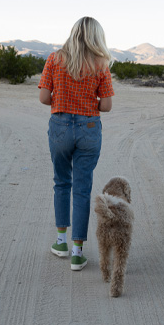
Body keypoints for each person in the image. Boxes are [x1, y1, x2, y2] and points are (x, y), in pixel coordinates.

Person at [37, 16, 114, 272]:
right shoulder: (101, 64)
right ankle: (77, 253)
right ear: (96, 37)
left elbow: (44, 98)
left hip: (60, 125)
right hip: (89, 128)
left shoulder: (54, 59)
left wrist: (64, 101)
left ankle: (60, 242)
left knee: (61, 182)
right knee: (82, 189)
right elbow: (106, 105)